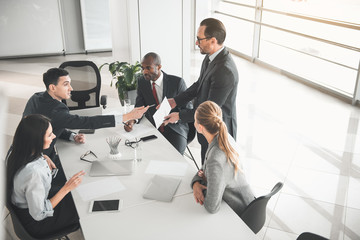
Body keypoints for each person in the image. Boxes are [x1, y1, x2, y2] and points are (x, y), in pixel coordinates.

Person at [23, 68, 149, 184]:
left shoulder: (36, 97)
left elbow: (52, 124)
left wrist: (72, 136)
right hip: (38, 161)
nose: (71, 88)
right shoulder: (57, 109)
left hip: (21, 152)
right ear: (53, 87)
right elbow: (87, 122)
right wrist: (126, 116)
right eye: (66, 84)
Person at [164, 18, 239, 164]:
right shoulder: (210, 57)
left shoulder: (225, 71)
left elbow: (210, 111)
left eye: (199, 39)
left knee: (214, 170)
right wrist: (175, 101)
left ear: (212, 40)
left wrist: (179, 116)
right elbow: (199, 85)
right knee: (206, 166)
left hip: (218, 133)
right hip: (206, 128)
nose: (197, 43)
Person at [6, 114, 84, 238]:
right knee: (82, 207)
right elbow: (39, 214)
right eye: (49, 135)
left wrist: (43, 156)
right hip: (38, 223)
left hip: (29, 206)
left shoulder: (16, 150)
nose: (54, 137)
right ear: (35, 139)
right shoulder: (33, 172)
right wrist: (66, 188)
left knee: (77, 196)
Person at [191, 101, 254, 216]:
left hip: (240, 213)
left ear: (200, 127)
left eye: (195, 120)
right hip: (247, 201)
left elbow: (212, 207)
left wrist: (202, 190)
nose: (193, 122)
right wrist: (196, 183)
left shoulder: (215, 157)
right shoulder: (224, 137)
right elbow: (204, 168)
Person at [124, 52, 191, 154]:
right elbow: (139, 106)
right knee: (143, 153)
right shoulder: (142, 82)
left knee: (174, 156)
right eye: (143, 68)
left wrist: (176, 118)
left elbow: (188, 109)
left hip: (175, 129)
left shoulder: (177, 82)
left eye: (148, 68)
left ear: (159, 67)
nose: (144, 71)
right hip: (153, 128)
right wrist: (132, 121)